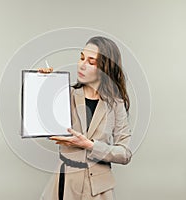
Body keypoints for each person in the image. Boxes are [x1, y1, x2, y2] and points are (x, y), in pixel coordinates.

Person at [39, 36, 133, 200]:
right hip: (65, 185)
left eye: (91, 61)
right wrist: (43, 83)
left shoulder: (116, 104)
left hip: (99, 189)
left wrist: (89, 145)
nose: (82, 65)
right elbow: (38, 117)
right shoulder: (66, 94)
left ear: (105, 68)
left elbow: (124, 154)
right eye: (81, 58)